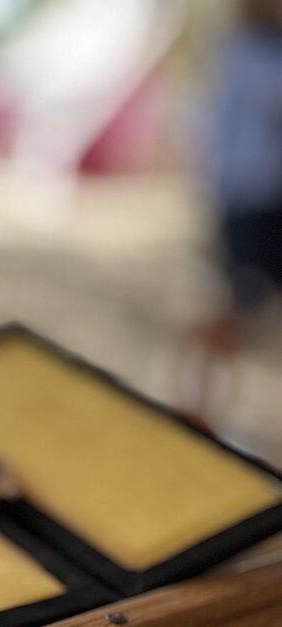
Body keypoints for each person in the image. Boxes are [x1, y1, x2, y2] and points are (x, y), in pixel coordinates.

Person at [184, 0, 282, 421]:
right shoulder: (246, 49)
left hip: (268, 198)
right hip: (251, 200)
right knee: (238, 306)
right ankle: (198, 403)